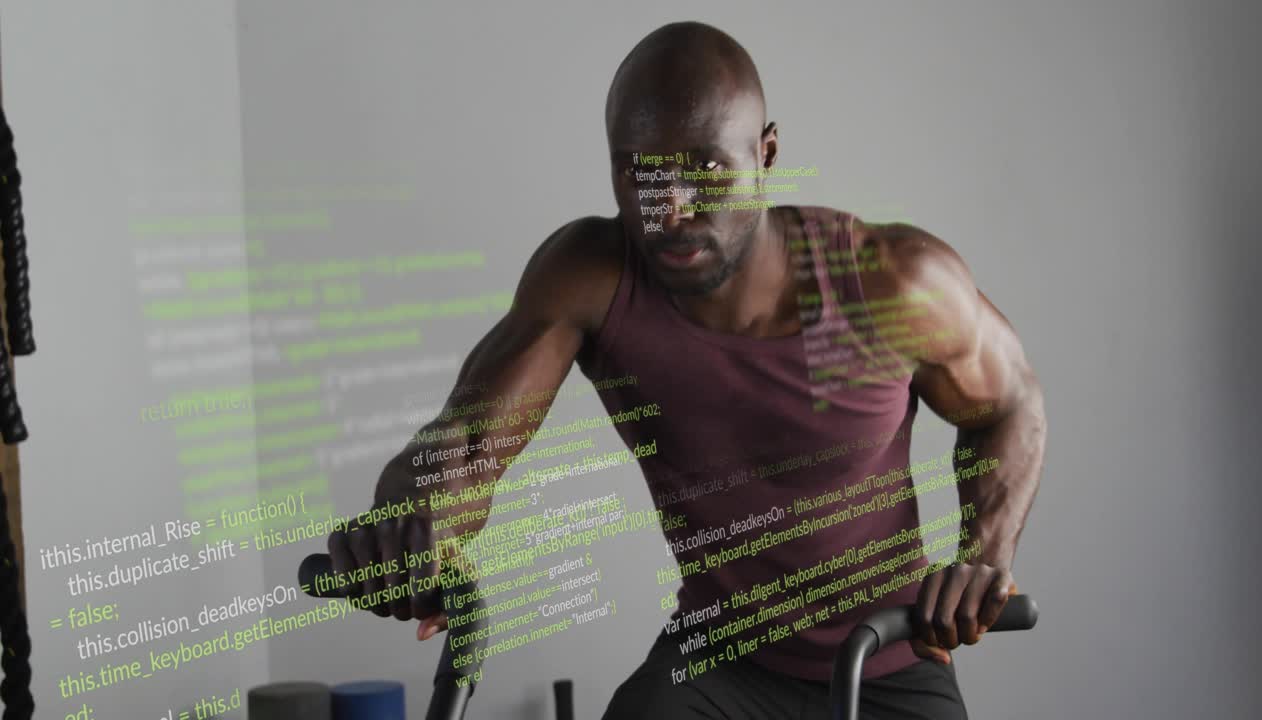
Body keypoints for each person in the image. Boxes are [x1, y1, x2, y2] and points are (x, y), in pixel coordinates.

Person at [328, 20, 1046, 720]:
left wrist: (981, 557)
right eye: (639, 172)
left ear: (765, 155)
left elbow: (1009, 404)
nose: (667, 210)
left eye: (704, 168)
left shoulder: (890, 282)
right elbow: (470, 444)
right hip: (715, 662)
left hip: (886, 661)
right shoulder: (589, 276)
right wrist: (413, 521)